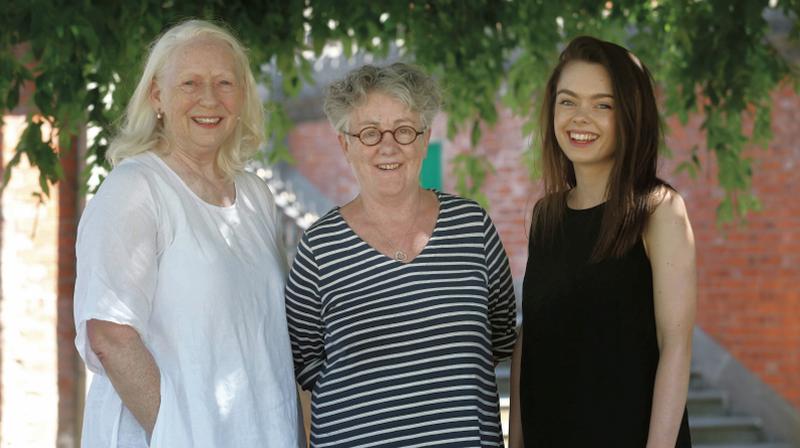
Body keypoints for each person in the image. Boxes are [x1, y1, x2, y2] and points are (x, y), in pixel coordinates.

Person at [73, 19, 303, 447]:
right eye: (190, 83)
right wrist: (179, 435)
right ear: (157, 95)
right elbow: (109, 334)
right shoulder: (135, 188)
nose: (209, 99)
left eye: (224, 83)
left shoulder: (255, 196)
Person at [284, 63, 518, 447]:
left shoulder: (472, 228)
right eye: (370, 133)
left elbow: (500, 338)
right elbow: (304, 368)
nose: (388, 146)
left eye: (404, 130)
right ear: (346, 144)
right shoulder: (318, 250)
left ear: (424, 140)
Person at [509, 36, 696, 447]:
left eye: (603, 105)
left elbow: (676, 348)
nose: (580, 118)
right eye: (568, 101)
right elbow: (531, 339)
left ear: (630, 115)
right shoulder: (546, 216)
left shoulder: (659, 210)